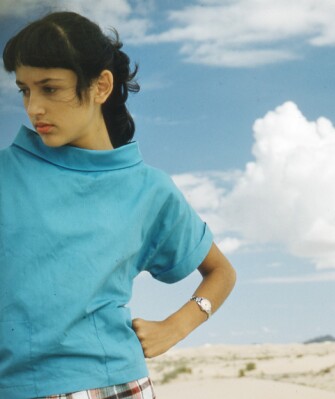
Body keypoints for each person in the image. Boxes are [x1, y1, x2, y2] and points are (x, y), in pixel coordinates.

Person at [0, 11, 236, 399]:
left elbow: (221, 272)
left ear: (101, 86)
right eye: (25, 90)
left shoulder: (149, 189)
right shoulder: (7, 173)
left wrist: (177, 326)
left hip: (119, 387)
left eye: (50, 88)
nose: (34, 107)